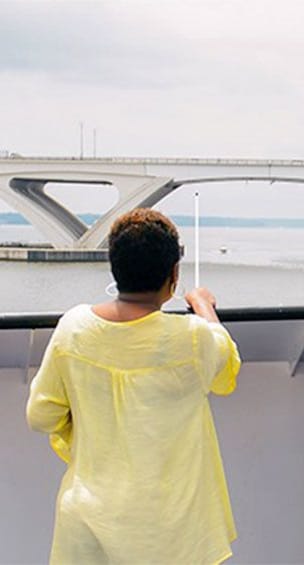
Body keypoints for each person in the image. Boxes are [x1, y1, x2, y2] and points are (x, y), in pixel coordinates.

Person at [25, 208, 242, 564]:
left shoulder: (74, 328)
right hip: (168, 532)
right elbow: (226, 369)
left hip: (86, 522)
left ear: (114, 266)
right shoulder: (193, 339)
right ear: (173, 276)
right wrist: (203, 305)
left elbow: (41, 416)